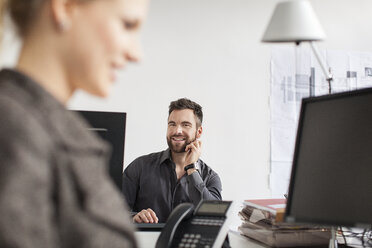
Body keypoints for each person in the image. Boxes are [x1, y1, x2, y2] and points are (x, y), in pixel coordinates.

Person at [0, 0, 148, 247]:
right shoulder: (14, 130)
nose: (136, 54)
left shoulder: (44, 129)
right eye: (127, 25)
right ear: (65, 7)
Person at [122, 98, 222, 223]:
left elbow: (214, 218)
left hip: (187, 242)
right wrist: (133, 217)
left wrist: (191, 169)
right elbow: (114, 212)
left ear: (198, 131)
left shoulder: (210, 177)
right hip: (146, 242)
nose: (177, 131)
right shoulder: (139, 167)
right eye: (172, 124)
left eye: (185, 125)